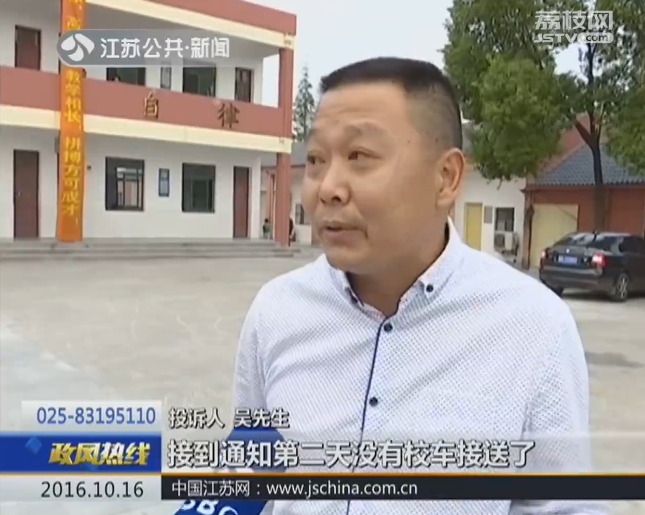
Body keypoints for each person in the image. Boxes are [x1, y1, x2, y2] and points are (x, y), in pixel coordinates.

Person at [234, 58, 601, 515]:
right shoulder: (276, 311)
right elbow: (248, 473)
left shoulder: (533, 326)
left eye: (359, 157)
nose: (327, 188)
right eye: (315, 160)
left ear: (446, 177)